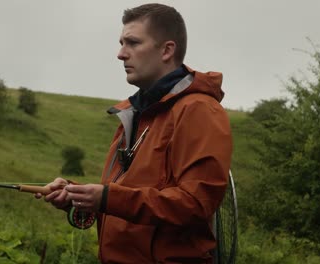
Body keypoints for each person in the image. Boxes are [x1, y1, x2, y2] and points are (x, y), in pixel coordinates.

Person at [39, 3, 232, 263]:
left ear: (167, 50)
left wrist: (106, 197)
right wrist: (76, 196)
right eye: (121, 43)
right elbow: (127, 204)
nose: (121, 54)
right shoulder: (133, 114)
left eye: (132, 43)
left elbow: (195, 204)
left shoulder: (198, 110)